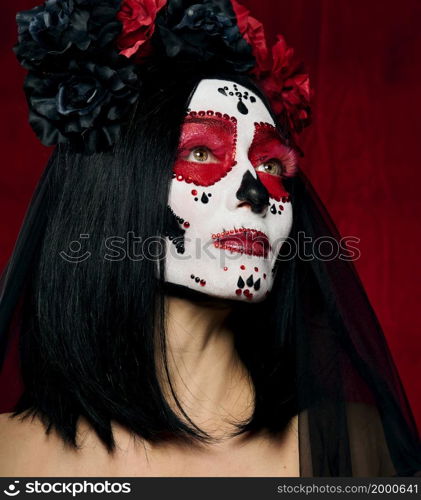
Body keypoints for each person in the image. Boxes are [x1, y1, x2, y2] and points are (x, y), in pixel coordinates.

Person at [0, 0, 420, 477]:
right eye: (202, 151)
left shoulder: (354, 445)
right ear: (116, 191)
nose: (255, 191)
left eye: (271, 164)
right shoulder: (6, 454)